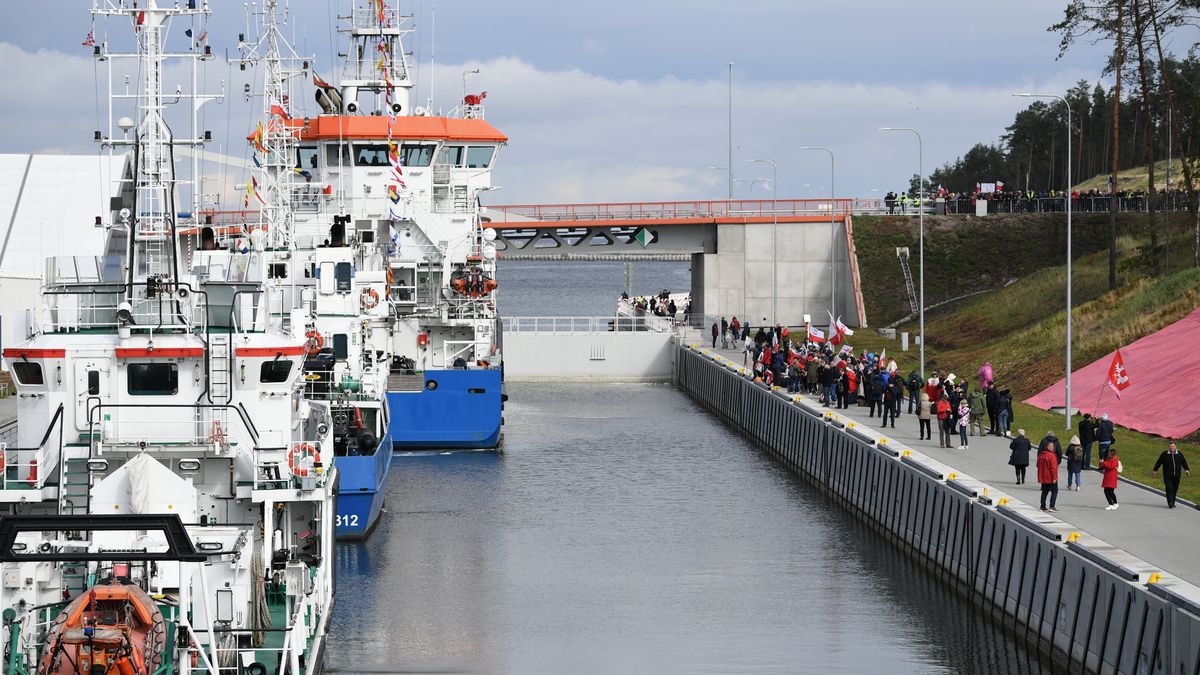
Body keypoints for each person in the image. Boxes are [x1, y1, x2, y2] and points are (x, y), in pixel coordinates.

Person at [1152, 441, 1191, 508]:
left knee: (1175, 489)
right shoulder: (1164, 454)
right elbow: (1159, 462)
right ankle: (1170, 502)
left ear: (1175, 447)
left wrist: (1186, 470)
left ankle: (1173, 502)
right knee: (1169, 488)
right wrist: (1155, 470)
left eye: (1173, 446)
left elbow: (1184, 462)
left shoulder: (1179, 454)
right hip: (1167, 476)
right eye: (1170, 447)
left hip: (1177, 476)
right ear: (1168, 447)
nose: (1172, 448)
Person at [1037, 440, 1060, 512]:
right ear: (1048, 447)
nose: (1052, 448)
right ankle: (1052, 506)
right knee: (1055, 491)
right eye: (1051, 446)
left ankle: (1042, 506)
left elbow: (1037, 465)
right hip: (1050, 477)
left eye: (1052, 446)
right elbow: (1053, 468)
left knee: (1044, 491)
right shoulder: (1052, 456)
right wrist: (1055, 478)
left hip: (1043, 477)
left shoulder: (1041, 455)